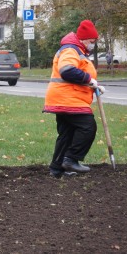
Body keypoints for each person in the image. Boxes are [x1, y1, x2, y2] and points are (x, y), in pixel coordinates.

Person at [43, 20, 106, 178]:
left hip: (63, 97)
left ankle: (57, 169)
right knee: (88, 127)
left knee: (67, 133)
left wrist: (93, 86)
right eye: (92, 42)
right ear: (84, 39)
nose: (93, 45)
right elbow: (67, 70)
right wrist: (89, 80)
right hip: (68, 98)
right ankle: (71, 159)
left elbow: (76, 74)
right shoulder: (71, 50)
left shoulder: (77, 51)